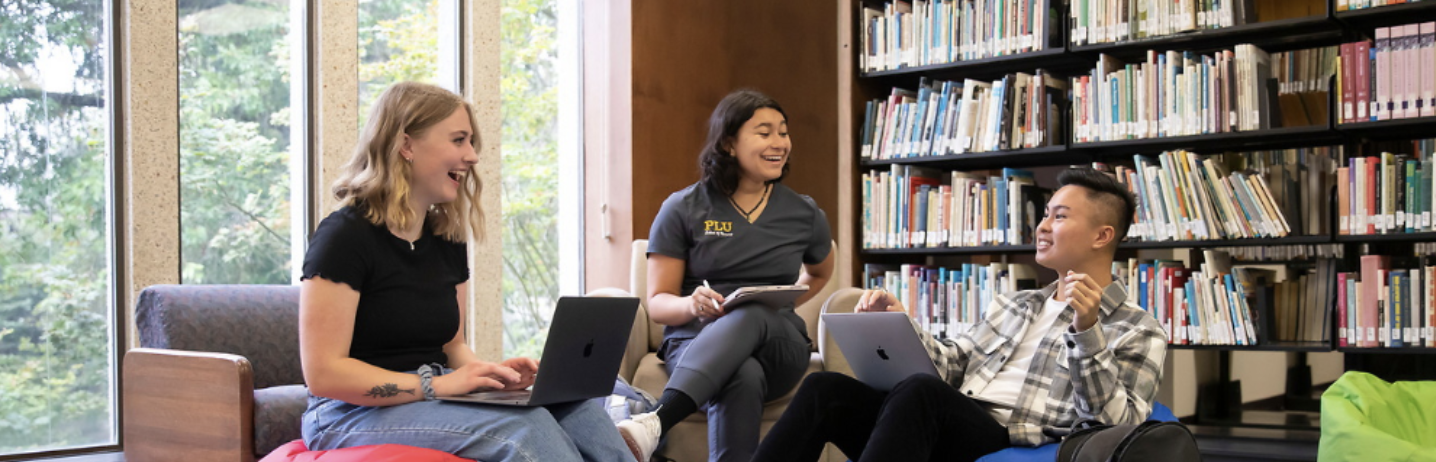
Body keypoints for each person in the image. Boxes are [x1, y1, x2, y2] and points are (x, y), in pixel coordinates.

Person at [298, 81, 632, 462]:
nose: (472, 156)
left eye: (471, 142)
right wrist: (437, 384)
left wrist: (493, 376)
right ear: (406, 145)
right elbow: (324, 373)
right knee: (526, 430)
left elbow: (452, 346)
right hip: (347, 413)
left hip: (435, 393)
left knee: (581, 411)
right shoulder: (344, 237)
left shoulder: (446, 237)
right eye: (459, 140)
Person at [749, 168, 1169, 462]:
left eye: (1059, 217)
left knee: (921, 393)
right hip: (938, 417)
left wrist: (1088, 330)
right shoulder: (1016, 305)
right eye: (1045, 214)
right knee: (825, 388)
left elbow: (1116, 424)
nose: (1042, 227)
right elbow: (952, 364)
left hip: (1005, 433)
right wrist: (902, 325)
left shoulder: (1137, 329)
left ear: (1102, 235)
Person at [616, 89, 836, 462]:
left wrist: (781, 303)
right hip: (695, 341)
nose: (779, 143)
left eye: (783, 132)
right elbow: (658, 303)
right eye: (764, 132)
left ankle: (658, 420)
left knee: (751, 311)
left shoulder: (804, 212)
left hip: (780, 346)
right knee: (742, 373)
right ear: (729, 143)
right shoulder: (683, 207)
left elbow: (819, 272)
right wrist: (691, 304)